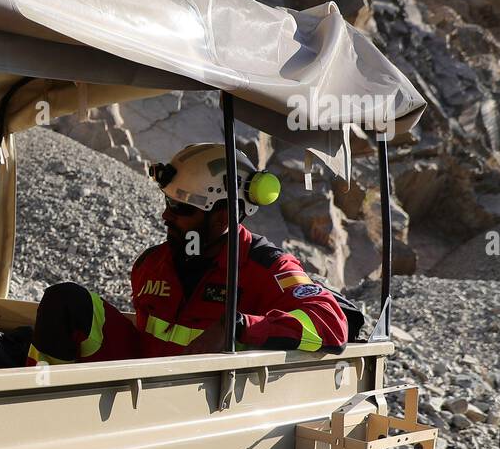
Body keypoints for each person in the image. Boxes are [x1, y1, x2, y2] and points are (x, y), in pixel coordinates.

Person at [28, 143, 356, 365]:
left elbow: (332, 324)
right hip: (137, 391)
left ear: (223, 216)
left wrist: (238, 326)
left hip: (202, 410)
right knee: (65, 300)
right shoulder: (151, 264)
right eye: (168, 204)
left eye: (181, 208)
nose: (166, 216)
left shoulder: (265, 266)